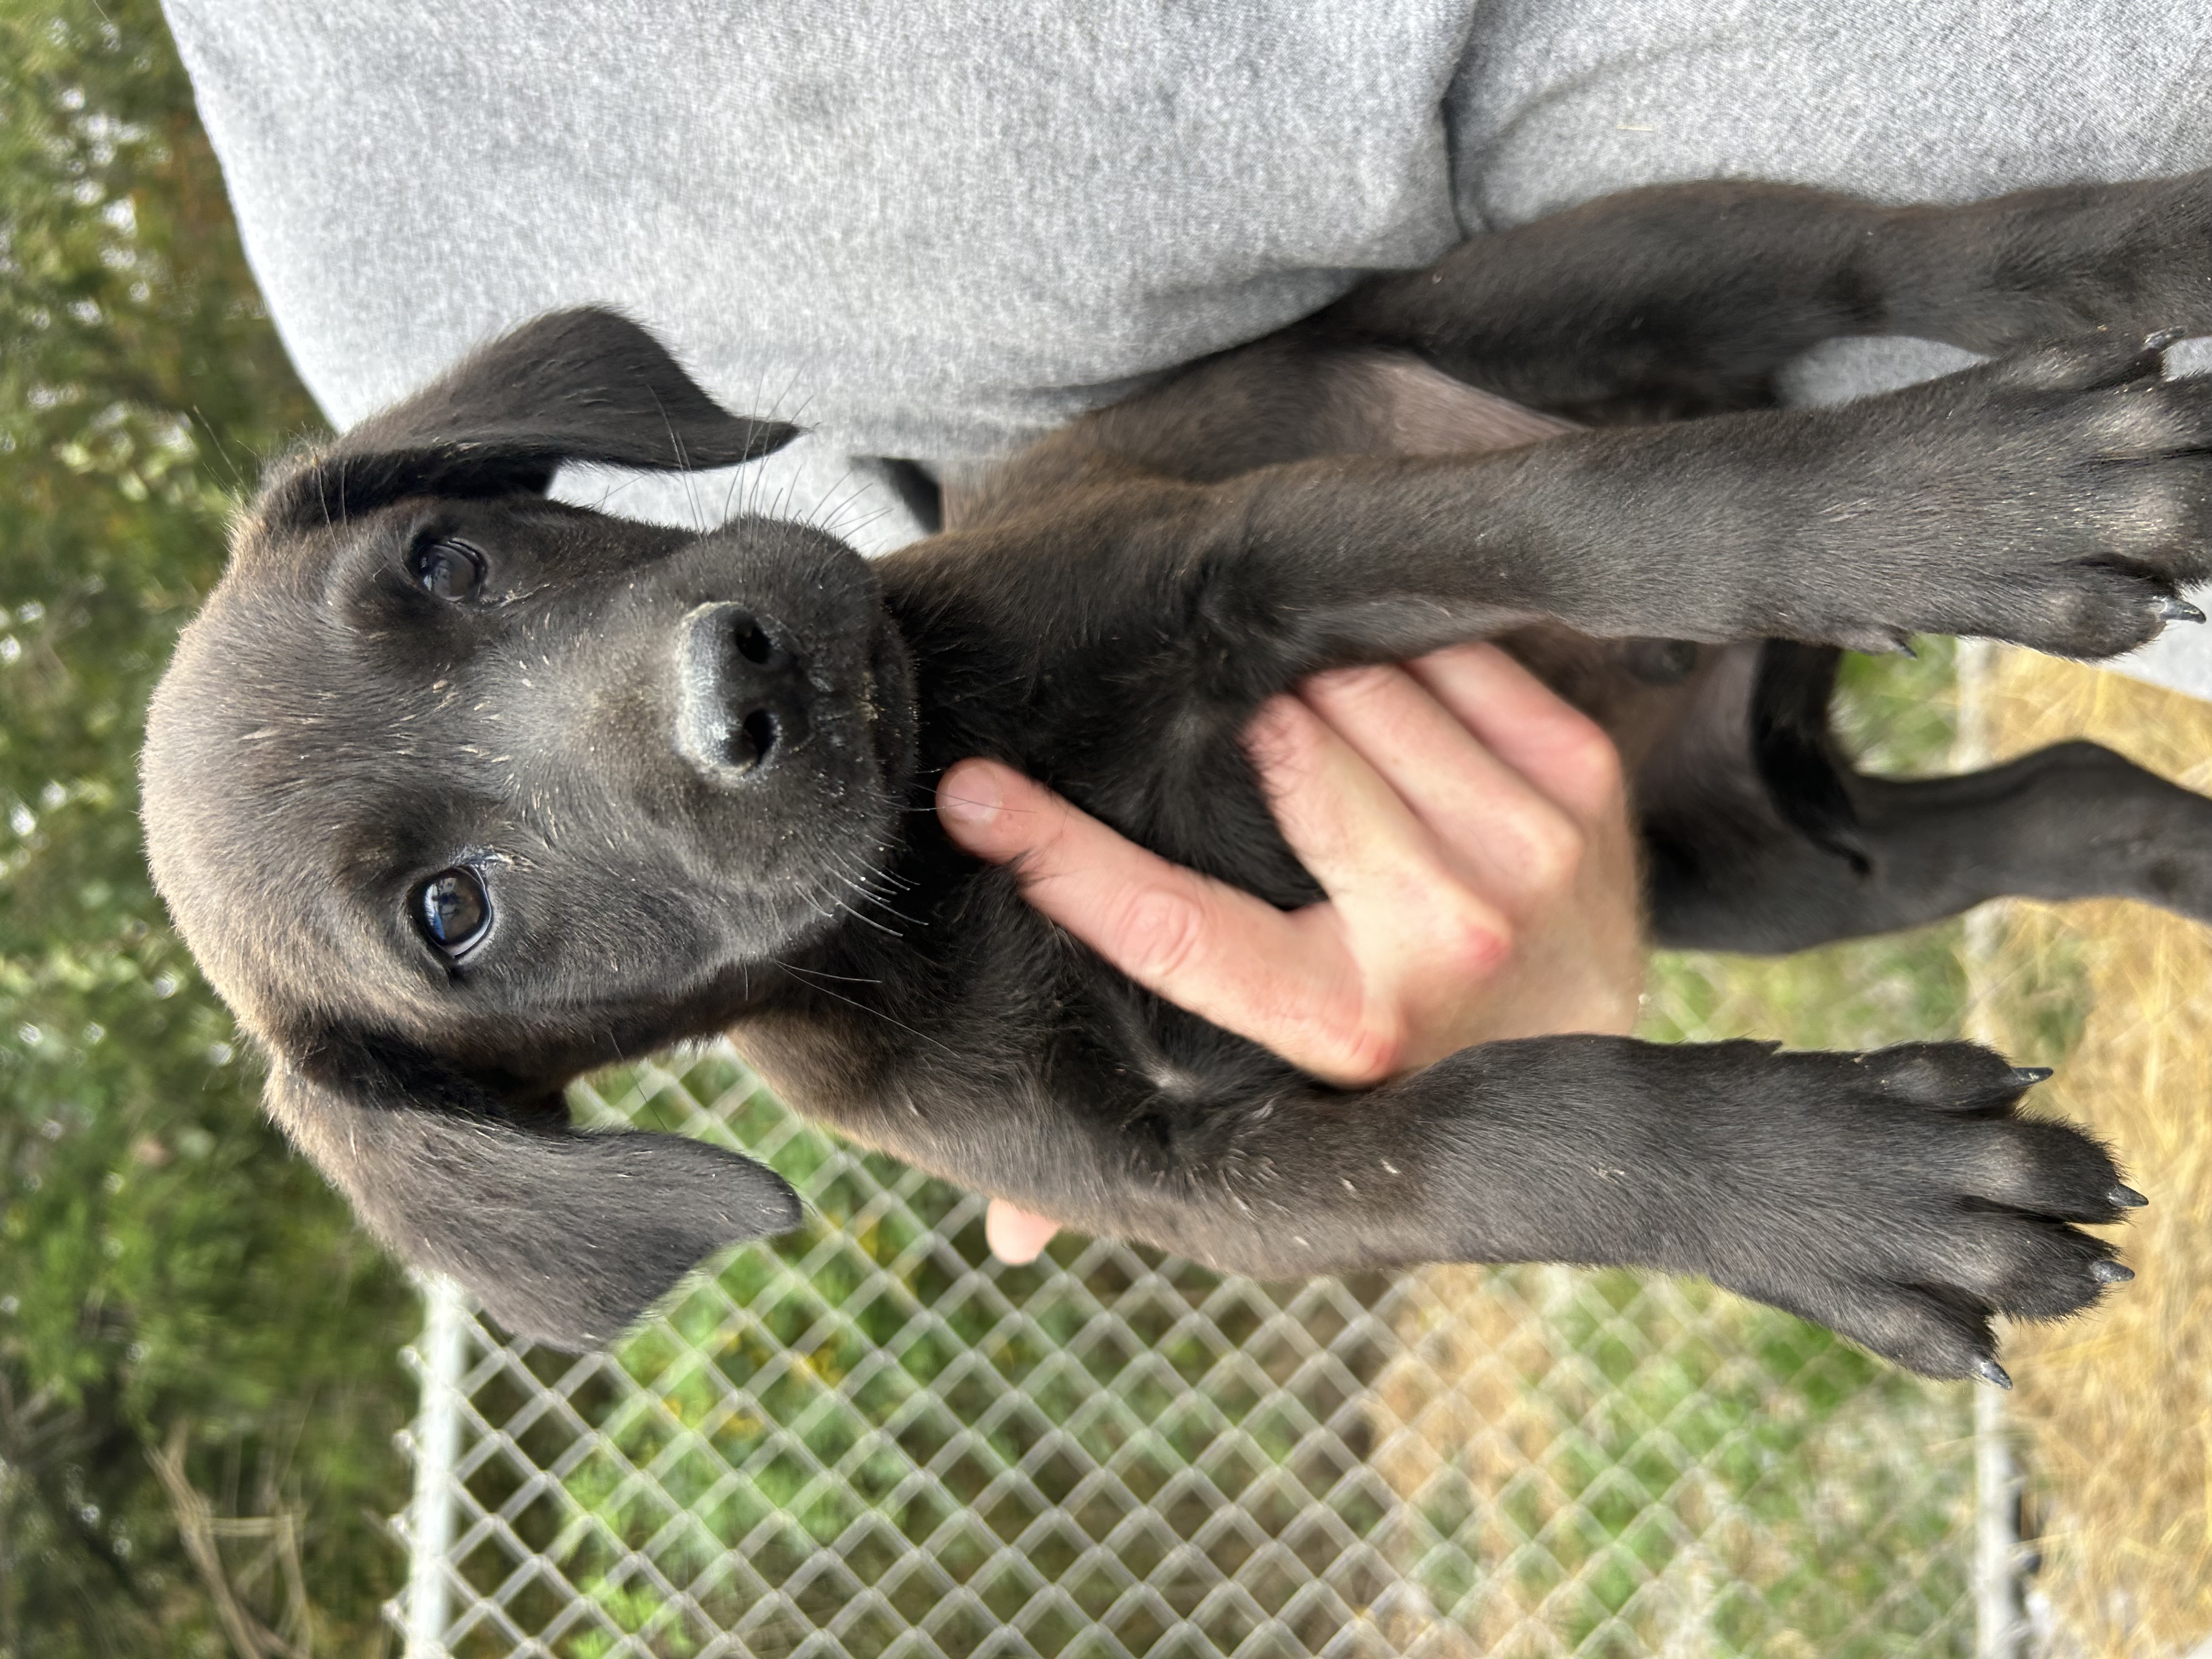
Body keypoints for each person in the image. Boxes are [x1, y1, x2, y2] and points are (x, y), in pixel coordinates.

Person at [159, 0, 2212, 1260]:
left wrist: (1856, 520)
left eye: (449, 577)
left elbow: (1282, 553)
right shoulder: (924, 1080)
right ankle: (2115, 830)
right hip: (1626, 807)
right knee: (1812, 877)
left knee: (1540, 325)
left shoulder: (966, 606)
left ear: (500, 474)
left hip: (1536, 422)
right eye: (454, 914)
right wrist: (1697, 1172)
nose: (671, 681)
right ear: (507, 1098)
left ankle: (2017, 267)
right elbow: (1239, 1185)